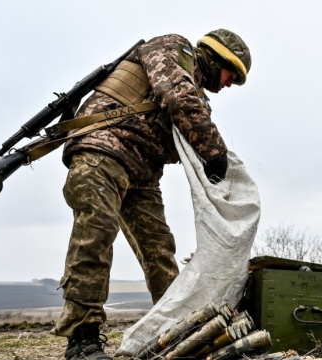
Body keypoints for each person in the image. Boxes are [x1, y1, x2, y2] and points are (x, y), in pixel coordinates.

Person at [51, 29, 252, 360]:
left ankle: (180, 331)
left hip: (141, 172)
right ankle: (82, 339)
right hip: (104, 149)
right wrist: (215, 152)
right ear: (218, 59)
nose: (230, 83)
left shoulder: (197, 90)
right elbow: (177, 96)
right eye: (234, 75)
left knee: (160, 251)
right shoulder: (173, 49)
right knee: (96, 236)